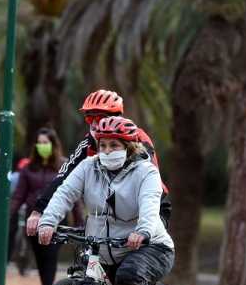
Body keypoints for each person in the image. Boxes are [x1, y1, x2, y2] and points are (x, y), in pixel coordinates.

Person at [37, 116, 174, 285]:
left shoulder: (145, 172)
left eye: (114, 145)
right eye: (103, 145)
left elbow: (150, 204)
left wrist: (144, 232)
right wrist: (48, 221)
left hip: (149, 246)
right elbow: (65, 193)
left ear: (129, 146)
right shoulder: (88, 167)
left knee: (129, 275)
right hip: (105, 246)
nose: (108, 151)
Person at [25, 89, 169, 237]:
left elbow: (150, 182)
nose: (93, 123)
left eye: (99, 117)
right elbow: (63, 178)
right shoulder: (88, 143)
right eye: (89, 118)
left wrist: (143, 230)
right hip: (111, 213)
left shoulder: (137, 138)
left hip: (151, 207)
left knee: (140, 253)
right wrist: (38, 211)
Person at [11, 128, 67, 285]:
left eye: (46, 143)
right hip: (33, 220)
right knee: (40, 257)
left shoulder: (63, 166)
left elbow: (73, 195)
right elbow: (19, 195)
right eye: (39, 143)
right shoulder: (28, 169)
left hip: (57, 220)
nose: (42, 146)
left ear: (53, 144)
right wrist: (9, 214)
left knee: (50, 255)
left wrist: (80, 220)